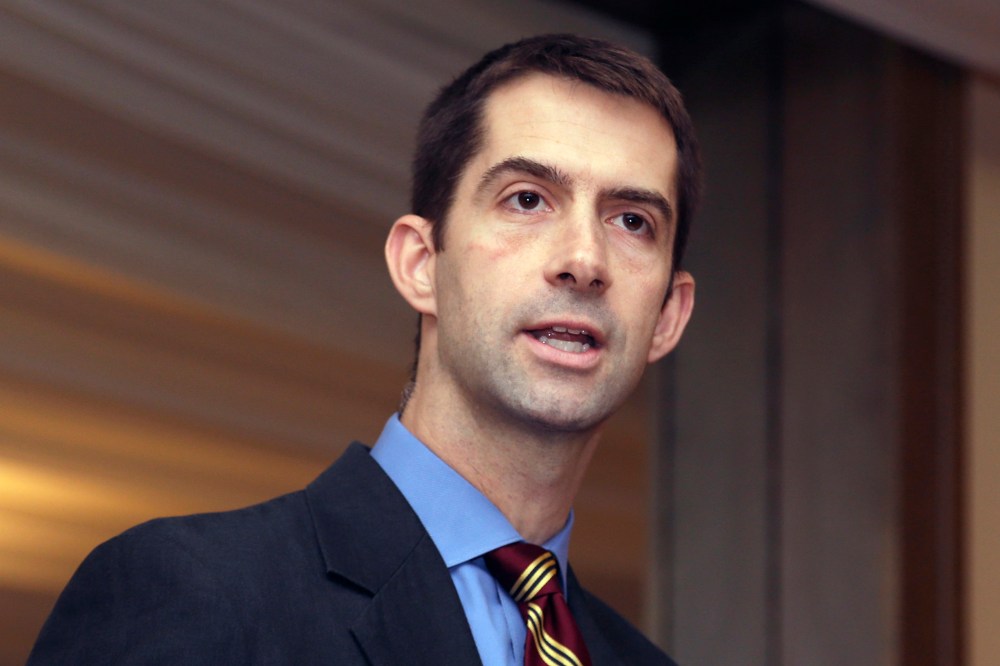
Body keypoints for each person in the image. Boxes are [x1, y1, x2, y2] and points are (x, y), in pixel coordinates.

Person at [28, 33, 699, 665]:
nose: (584, 259)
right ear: (420, 265)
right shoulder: (192, 592)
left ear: (668, 314)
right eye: (527, 199)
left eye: (632, 221)